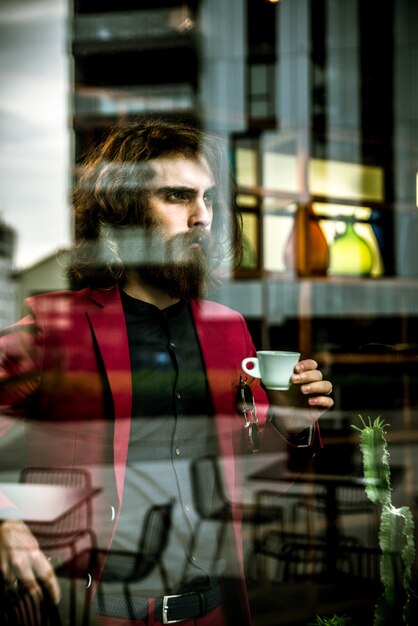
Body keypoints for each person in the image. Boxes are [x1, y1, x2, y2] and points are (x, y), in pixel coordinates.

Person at [0, 118, 333, 625]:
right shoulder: (56, 326)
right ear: (126, 214)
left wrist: (289, 427)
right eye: (178, 196)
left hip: (214, 612)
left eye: (209, 198)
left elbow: (251, 485)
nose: (202, 216)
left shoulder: (231, 331)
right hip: (95, 614)